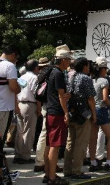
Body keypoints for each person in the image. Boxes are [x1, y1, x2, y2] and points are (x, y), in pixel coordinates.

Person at [63, 57, 96, 180]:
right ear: (84, 66)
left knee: (70, 142)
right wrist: (94, 114)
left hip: (71, 112)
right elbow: (90, 99)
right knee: (81, 143)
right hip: (83, 114)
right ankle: (76, 171)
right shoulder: (86, 78)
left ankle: (67, 170)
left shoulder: (69, 77)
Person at [44, 45, 72, 185]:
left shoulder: (51, 72)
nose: (69, 62)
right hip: (57, 112)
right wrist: (66, 112)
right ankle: (52, 178)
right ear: (63, 60)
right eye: (68, 60)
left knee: (49, 144)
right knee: (55, 146)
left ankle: (48, 173)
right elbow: (61, 96)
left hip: (50, 110)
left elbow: (57, 94)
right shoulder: (59, 73)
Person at [88, 57, 110, 174]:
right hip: (101, 109)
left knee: (93, 138)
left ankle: (93, 162)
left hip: (92, 109)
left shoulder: (91, 80)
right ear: (104, 69)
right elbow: (105, 98)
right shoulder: (104, 81)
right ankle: (109, 162)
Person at [14, 59, 41, 164]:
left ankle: (18, 154)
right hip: (30, 105)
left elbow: (17, 92)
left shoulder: (21, 77)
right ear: (35, 68)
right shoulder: (35, 78)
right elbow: (37, 94)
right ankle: (25, 156)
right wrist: (38, 109)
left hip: (20, 103)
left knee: (20, 131)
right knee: (29, 132)